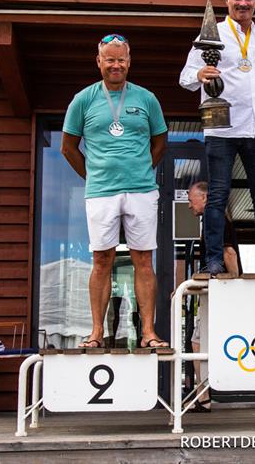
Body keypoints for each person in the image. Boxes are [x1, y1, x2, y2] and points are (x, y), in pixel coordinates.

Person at [61, 34, 169, 349]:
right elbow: (69, 148)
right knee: (101, 259)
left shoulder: (147, 98)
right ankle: (96, 332)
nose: (116, 65)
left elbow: (160, 141)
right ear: (99, 62)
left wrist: (142, 169)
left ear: (129, 62)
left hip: (141, 190)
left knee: (143, 259)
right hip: (101, 192)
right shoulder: (83, 100)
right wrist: (93, 175)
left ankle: (148, 332)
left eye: (121, 59)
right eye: (110, 59)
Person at [179, 0, 255, 277]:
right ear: (227, 1)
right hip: (221, 128)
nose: (243, 3)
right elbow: (185, 77)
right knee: (217, 196)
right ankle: (213, 259)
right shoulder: (211, 34)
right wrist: (200, 73)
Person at [185, 181, 242, 412]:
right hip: (218, 295)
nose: (189, 205)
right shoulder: (215, 218)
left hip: (222, 296)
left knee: (207, 343)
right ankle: (203, 395)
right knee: (199, 343)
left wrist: (235, 283)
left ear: (205, 198)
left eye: (191, 200)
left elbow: (229, 253)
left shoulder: (213, 218)